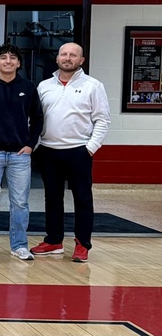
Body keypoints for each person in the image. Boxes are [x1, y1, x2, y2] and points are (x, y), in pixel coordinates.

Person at [32, 42, 110, 262]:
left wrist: (90, 148)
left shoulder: (93, 86)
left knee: (83, 198)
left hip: (79, 151)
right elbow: (37, 119)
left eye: (73, 55)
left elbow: (102, 120)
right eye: (64, 54)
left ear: (81, 61)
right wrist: (36, 146)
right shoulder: (44, 86)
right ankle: (54, 240)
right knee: (52, 198)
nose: (68, 58)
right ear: (57, 59)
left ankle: (82, 244)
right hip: (49, 151)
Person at [0, 44, 44, 261]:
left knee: (20, 202)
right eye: (3, 58)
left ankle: (19, 245)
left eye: (12, 58)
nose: (8, 61)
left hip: (19, 155)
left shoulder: (28, 87)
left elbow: (38, 118)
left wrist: (30, 145)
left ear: (19, 63)